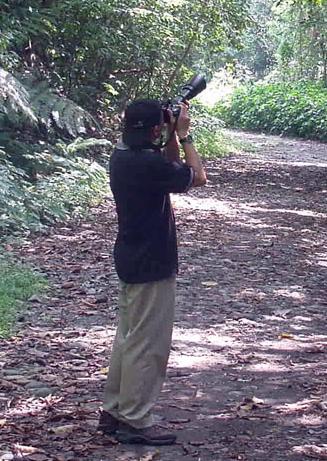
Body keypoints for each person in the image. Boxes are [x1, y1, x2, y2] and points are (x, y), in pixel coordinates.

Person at [98, 98, 207, 445]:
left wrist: (170, 133)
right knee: (148, 345)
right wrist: (185, 135)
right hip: (152, 261)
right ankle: (135, 420)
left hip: (131, 257)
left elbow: (169, 168)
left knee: (128, 339)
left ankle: (114, 411)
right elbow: (197, 177)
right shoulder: (147, 164)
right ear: (156, 129)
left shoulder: (123, 156)